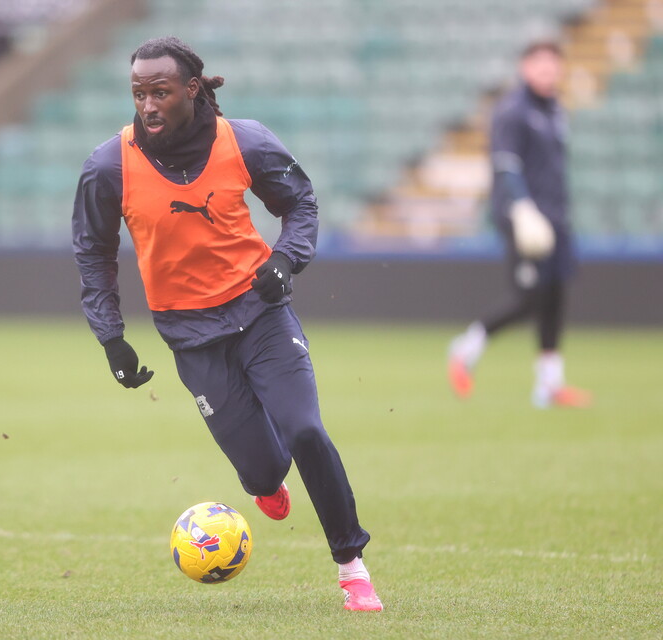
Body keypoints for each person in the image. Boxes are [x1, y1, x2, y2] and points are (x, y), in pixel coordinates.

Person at [72, 36, 382, 611]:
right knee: (263, 472)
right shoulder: (109, 165)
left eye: (160, 92)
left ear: (191, 89)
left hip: (262, 315)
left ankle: (352, 568)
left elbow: (301, 204)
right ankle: (267, 486)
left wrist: (286, 262)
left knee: (306, 430)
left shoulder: (246, 140)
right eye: (139, 93)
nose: (148, 104)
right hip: (191, 338)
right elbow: (92, 253)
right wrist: (111, 337)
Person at [448, 40, 591, 408]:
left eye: (553, 65)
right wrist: (523, 208)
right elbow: (505, 165)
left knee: (556, 294)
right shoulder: (513, 110)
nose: (548, 72)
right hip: (525, 217)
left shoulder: (556, 108)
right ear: (525, 68)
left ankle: (549, 384)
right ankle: (466, 348)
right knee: (529, 297)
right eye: (540, 65)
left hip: (555, 216)